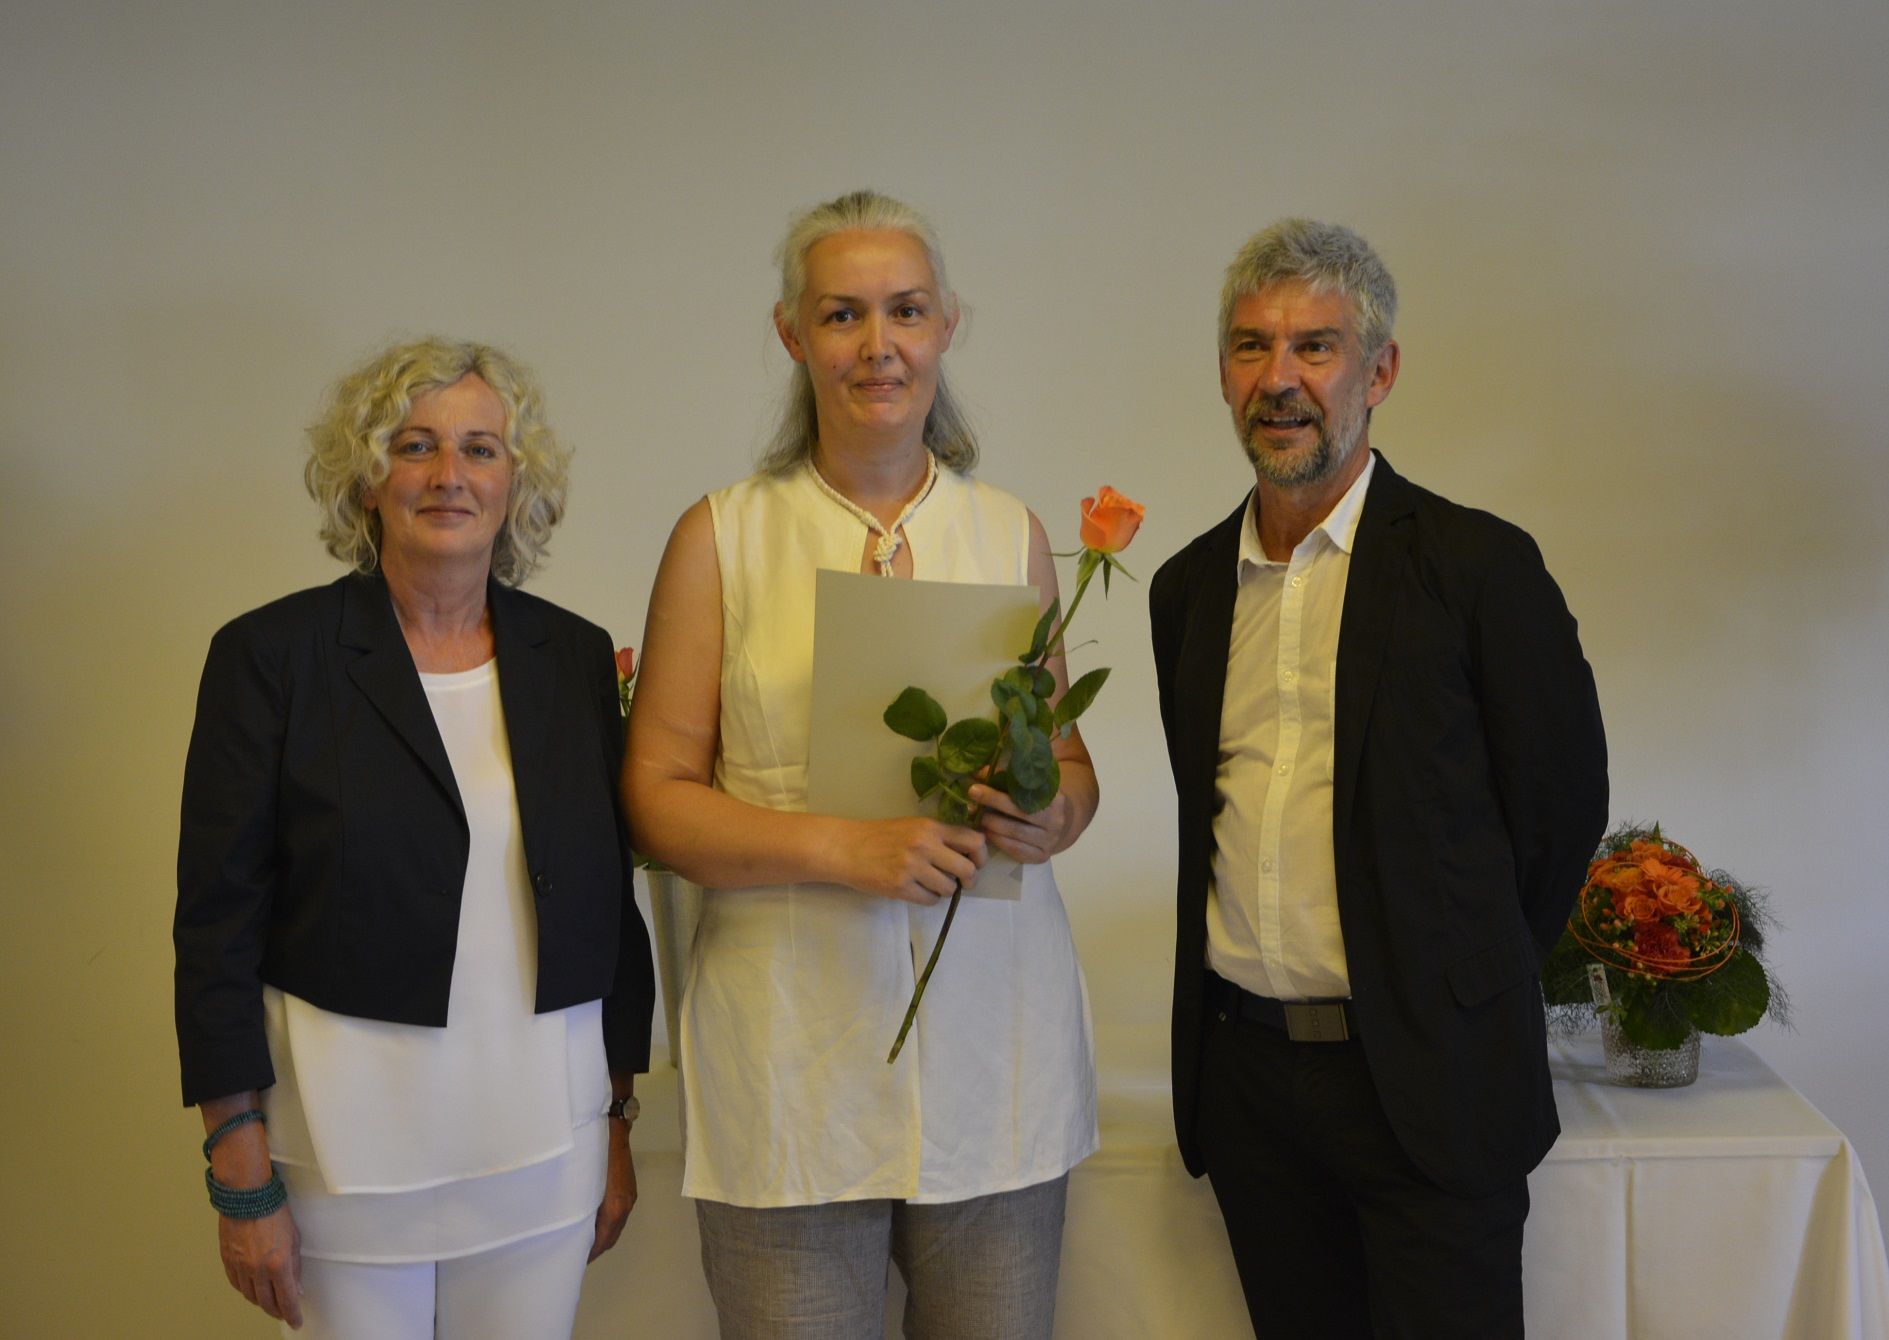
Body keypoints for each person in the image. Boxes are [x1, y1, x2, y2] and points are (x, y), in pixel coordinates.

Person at [625, 189, 1099, 1340]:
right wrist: (844, 847)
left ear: (946, 326)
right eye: (842, 314)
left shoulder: (1009, 532)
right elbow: (654, 800)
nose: (877, 344)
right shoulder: (720, 536)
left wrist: (1048, 812)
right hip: (788, 1056)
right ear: (792, 333)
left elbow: (1065, 759)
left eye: (905, 310)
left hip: (993, 1043)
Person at [1149, 219, 1608, 1338]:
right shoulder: (1186, 589)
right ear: (1222, 372)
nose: (1279, 378)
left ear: (1379, 370)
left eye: (1315, 346)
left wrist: (1451, 990)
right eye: (1251, 346)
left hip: (1430, 1086)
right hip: (1249, 1089)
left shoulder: (1478, 566)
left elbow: (1556, 814)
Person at [173, 337, 655, 1337]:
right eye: (414, 445)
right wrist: (239, 1167)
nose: (448, 475)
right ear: (366, 478)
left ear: (515, 482)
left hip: (545, 1146)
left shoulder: (569, 655)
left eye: (480, 448)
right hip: (345, 1159)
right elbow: (216, 927)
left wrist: (616, 1120)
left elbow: (609, 907)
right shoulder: (271, 657)